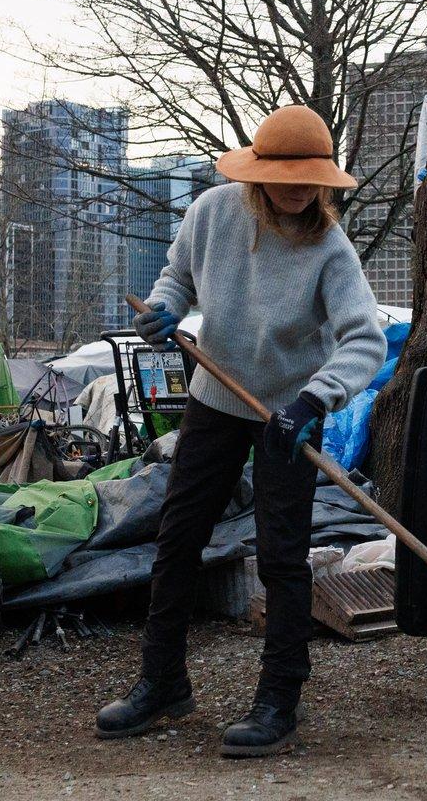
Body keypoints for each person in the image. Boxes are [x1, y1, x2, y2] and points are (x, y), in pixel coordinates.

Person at [96, 105, 386, 757]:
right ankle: (162, 682)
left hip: (289, 410)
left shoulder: (329, 250)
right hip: (216, 395)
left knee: (282, 556)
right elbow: (177, 278)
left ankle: (280, 697)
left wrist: (315, 399)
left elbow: (364, 339)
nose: (298, 187)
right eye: (286, 174)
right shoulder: (214, 214)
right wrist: (165, 311)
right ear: (259, 174)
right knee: (177, 538)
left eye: (310, 176)